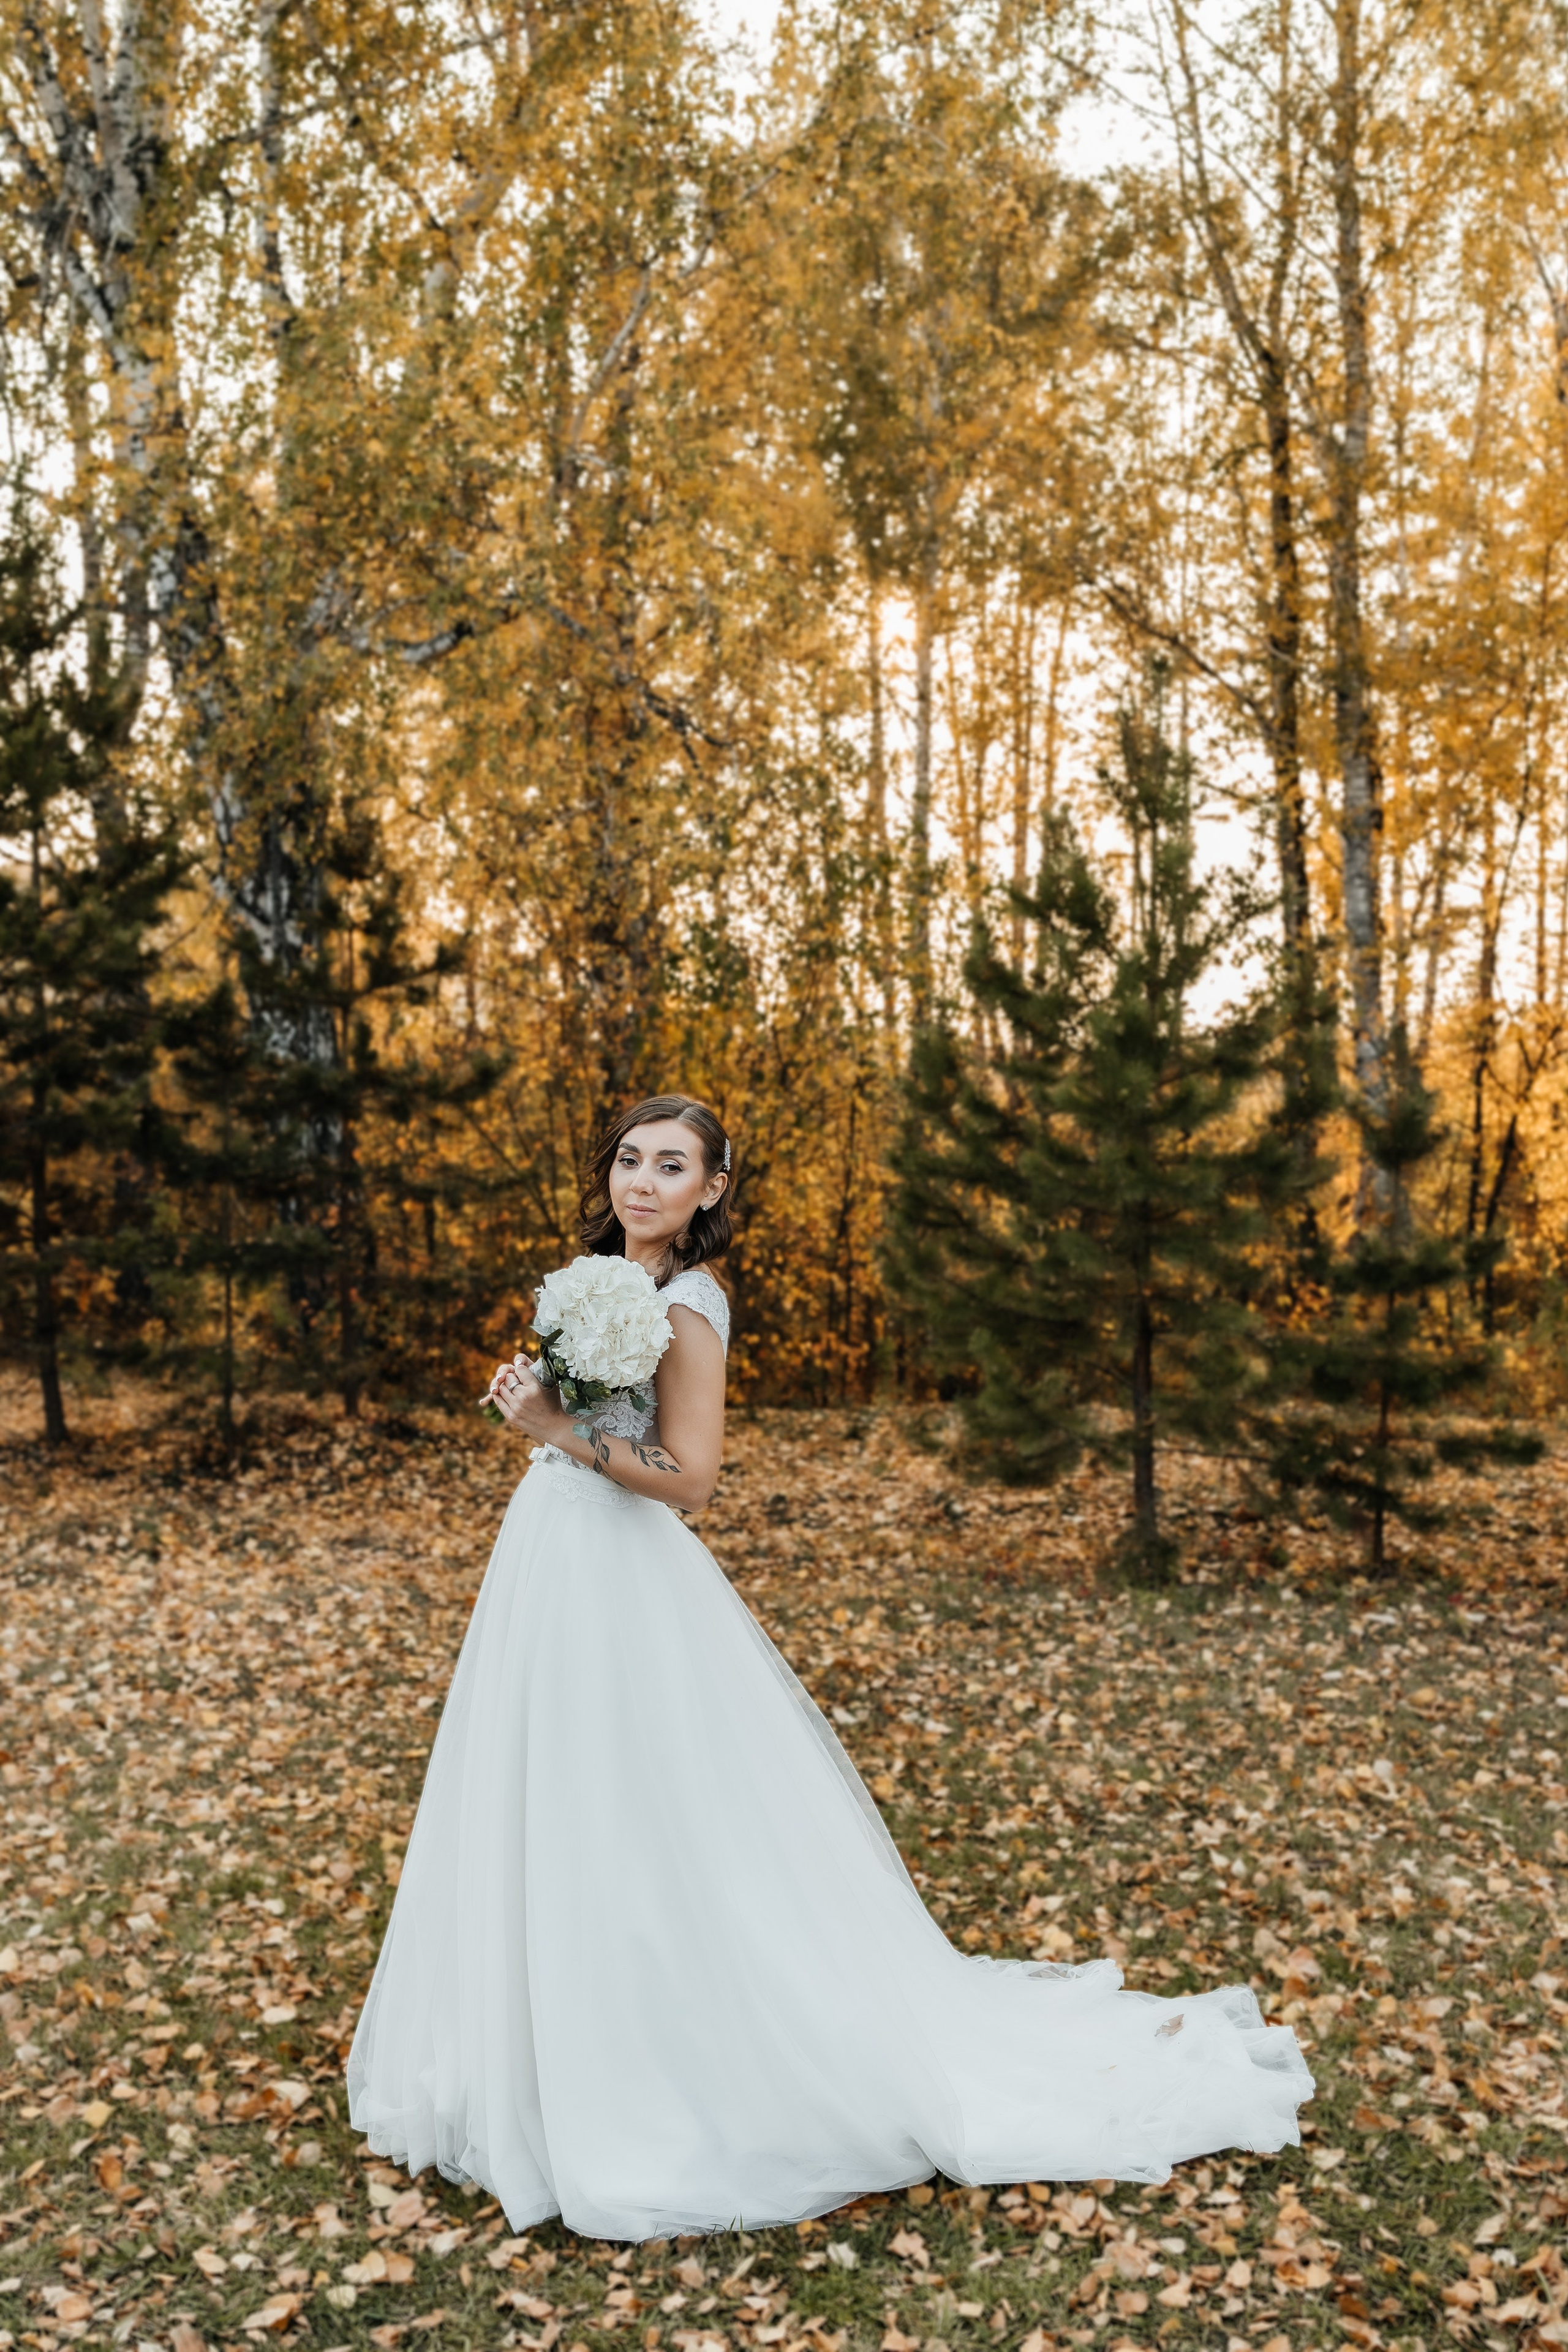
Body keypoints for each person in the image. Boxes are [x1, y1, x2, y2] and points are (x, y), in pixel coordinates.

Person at [347, 1091, 1311, 2242]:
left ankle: (669, 2066)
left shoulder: (694, 1303)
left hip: (624, 1567)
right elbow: (584, 1412)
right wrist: (537, 1404)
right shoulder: (585, 1279)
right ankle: (536, 2060)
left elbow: (691, 1476)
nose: (642, 1182)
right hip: (546, 1558)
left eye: (671, 1167)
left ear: (710, 1191)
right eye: (629, 1160)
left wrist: (559, 1431)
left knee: (644, 1814)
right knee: (542, 1796)